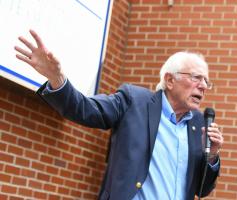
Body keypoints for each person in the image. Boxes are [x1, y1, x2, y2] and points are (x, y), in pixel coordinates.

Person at [15, 30, 224, 200]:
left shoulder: (198, 124)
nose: (204, 86)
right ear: (170, 80)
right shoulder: (134, 101)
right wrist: (57, 78)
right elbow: (86, 109)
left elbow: (201, 189)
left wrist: (212, 155)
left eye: (207, 81)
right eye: (197, 78)